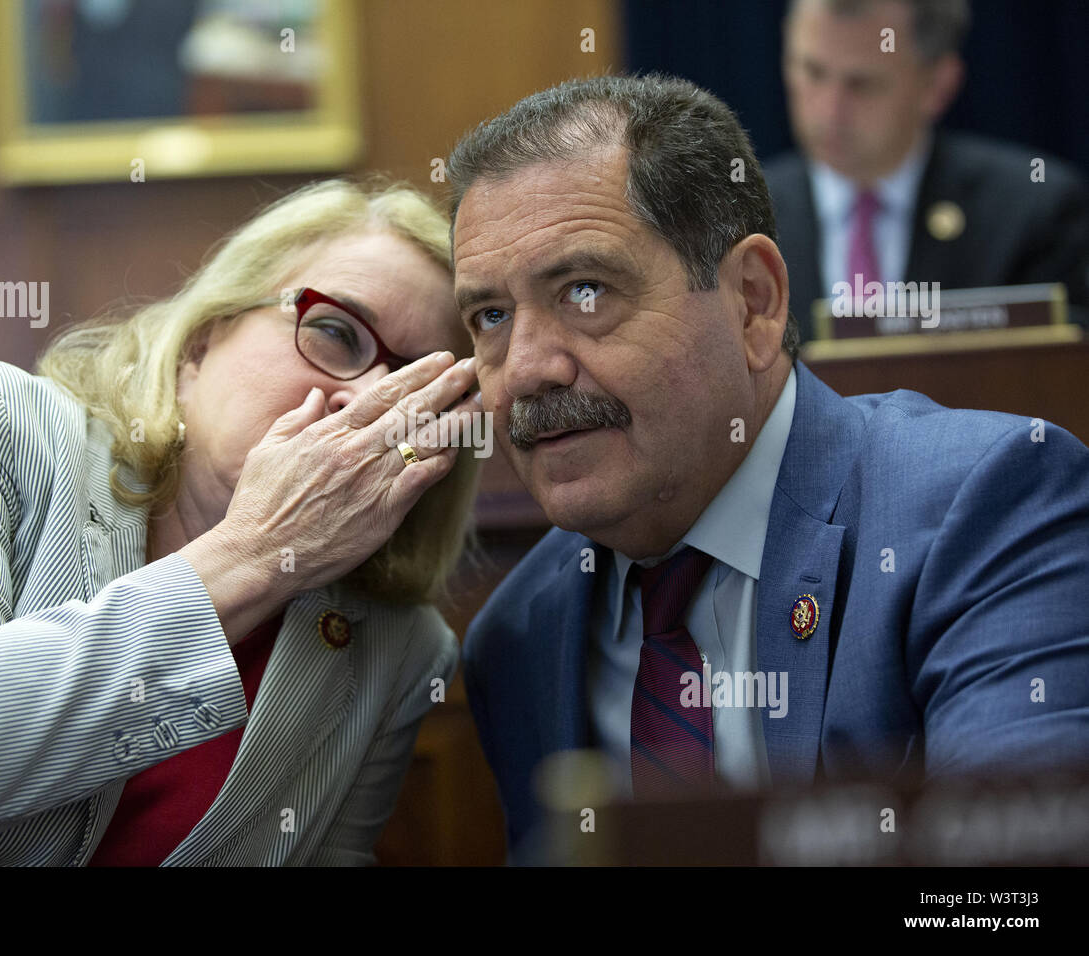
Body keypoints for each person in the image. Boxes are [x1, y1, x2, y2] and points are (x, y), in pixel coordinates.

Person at [447, 74, 1089, 862]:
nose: (524, 370)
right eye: (491, 317)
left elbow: (1008, 898)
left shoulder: (986, 504)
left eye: (584, 292)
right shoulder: (518, 636)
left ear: (752, 302)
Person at [0, 177, 483, 865]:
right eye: (335, 331)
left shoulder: (399, 649)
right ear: (200, 346)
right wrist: (259, 554)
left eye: (418, 387)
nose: (364, 400)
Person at [765, 0, 1089, 339]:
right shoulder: (738, 216)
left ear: (938, 85)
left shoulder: (1031, 216)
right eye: (813, 71)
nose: (830, 111)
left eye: (861, 84)